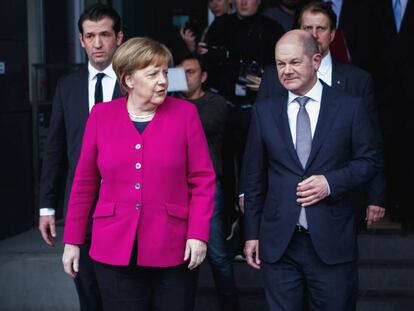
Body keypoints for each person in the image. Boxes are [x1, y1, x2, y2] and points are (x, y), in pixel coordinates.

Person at [62, 37, 216, 311]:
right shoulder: (101, 115)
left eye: (165, 73)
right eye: (153, 73)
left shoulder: (185, 114)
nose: (163, 81)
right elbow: (84, 182)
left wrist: (198, 234)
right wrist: (73, 240)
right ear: (129, 79)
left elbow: (203, 179)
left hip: (173, 245)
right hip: (114, 246)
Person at [242, 30, 381, 310]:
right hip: (279, 241)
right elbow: (254, 178)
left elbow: (370, 161)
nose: (286, 70)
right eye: (281, 64)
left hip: (331, 239)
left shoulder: (349, 107)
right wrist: (251, 234)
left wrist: (330, 183)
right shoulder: (264, 112)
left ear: (316, 60)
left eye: (294, 62)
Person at [252, 1, 385, 228]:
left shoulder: (358, 81)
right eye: (307, 28)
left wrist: (376, 196)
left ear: (332, 34)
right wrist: (249, 194)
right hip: (284, 206)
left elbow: (371, 145)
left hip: (341, 203)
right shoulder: (275, 77)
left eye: (320, 29)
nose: (313, 35)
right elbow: (258, 145)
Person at [38, 4, 123, 311]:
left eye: (104, 35)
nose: (97, 43)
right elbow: (55, 149)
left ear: (119, 38)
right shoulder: (67, 86)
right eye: (90, 36)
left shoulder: (135, 84)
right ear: (81, 40)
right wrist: (47, 205)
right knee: (87, 291)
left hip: (126, 205)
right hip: (81, 207)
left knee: (123, 292)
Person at [178, 53, 240, 311]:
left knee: (216, 253)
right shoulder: (168, 103)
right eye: (179, 72)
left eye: (190, 72)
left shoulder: (215, 103)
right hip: (174, 189)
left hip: (206, 188)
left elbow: (191, 130)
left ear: (203, 77)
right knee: (176, 256)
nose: (184, 77)